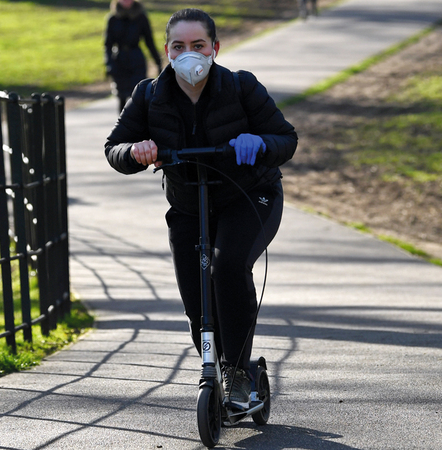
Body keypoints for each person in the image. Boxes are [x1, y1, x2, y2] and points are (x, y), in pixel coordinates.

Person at [104, 8, 297, 409]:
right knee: (197, 299)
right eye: (179, 46)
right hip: (190, 206)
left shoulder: (241, 87)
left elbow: (285, 138)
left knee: (226, 267)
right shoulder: (149, 94)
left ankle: (239, 373)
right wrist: (135, 151)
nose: (189, 54)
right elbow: (114, 148)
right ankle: (218, 366)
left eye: (198, 45)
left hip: (249, 196)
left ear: (215, 48)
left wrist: (258, 143)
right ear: (167, 51)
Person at [104, 0, 162, 112]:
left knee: (138, 96)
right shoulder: (112, 19)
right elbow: (108, 44)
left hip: (136, 60)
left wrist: (157, 62)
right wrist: (109, 64)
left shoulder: (141, 18)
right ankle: (122, 126)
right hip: (119, 61)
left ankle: (138, 126)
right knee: (121, 96)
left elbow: (149, 42)